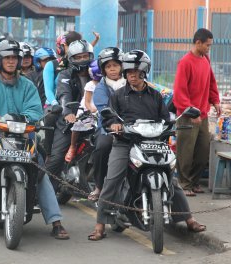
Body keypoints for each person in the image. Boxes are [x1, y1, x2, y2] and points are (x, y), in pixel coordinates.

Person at [89, 49, 206, 241]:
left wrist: (172, 123)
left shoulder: (156, 95)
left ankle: (189, 219)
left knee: (172, 180)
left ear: (145, 72)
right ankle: (100, 225)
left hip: (153, 142)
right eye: (128, 72)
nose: (132, 75)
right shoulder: (118, 95)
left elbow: (164, 117)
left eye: (137, 71)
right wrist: (114, 124)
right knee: (112, 180)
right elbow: (107, 117)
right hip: (125, 142)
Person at [0, 39, 70, 240]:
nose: (11, 62)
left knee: (39, 169)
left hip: (23, 134)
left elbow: (35, 110)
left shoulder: (28, 85)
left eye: (15, 58)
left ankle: (55, 221)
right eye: (7, 58)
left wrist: (25, 119)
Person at [173, 28, 221, 196]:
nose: (209, 48)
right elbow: (179, 91)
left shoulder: (205, 59)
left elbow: (211, 82)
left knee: (202, 150)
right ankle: (184, 184)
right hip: (188, 116)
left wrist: (215, 101)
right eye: (207, 45)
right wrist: (191, 113)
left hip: (203, 114)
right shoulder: (185, 62)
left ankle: (194, 182)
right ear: (198, 42)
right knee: (185, 151)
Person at [45, 39, 94, 190]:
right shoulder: (65, 74)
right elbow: (64, 94)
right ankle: (44, 193)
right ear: (71, 59)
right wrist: (67, 112)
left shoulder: (98, 74)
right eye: (78, 57)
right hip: (71, 120)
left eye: (85, 56)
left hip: (95, 119)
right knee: (57, 158)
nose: (82, 60)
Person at [88, 47, 126, 201]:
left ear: (122, 66)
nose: (112, 69)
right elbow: (105, 110)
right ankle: (99, 186)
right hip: (107, 128)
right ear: (103, 70)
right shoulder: (101, 88)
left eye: (115, 65)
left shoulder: (130, 83)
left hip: (133, 127)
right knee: (103, 147)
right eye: (108, 67)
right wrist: (114, 124)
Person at [42, 31, 82, 157]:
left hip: (76, 106)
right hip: (55, 106)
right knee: (50, 118)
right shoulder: (51, 65)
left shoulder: (81, 65)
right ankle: (48, 153)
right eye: (68, 45)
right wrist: (55, 104)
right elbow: (48, 90)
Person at [64, 60, 102, 162]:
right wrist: (92, 110)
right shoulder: (90, 84)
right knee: (77, 127)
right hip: (87, 110)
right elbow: (87, 102)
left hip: (101, 111)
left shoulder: (108, 84)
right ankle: (72, 147)